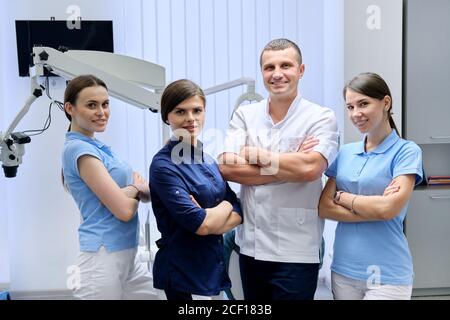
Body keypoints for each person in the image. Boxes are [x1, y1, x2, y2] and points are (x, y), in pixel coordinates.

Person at [218, 38, 339, 300]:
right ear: (262, 72)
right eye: (269, 67)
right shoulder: (245, 115)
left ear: (301, 70)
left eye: (286, 65)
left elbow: (310, 169)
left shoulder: (320, 117)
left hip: (296, 250)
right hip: (251, 247)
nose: (277, 74)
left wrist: (257, 156)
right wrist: (290, 164)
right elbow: (228, 167)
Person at [318, 72, 423, 300]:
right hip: (343, 270)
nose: (356, 114)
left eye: (363, 104)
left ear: (386, 103)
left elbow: (388, 210)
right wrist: (375, 208)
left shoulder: (406, 152)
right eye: (350, 107)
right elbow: (324, 208)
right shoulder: (345, 152)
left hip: (388, 273)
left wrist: (344, 198)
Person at [61, 74, 155, 299]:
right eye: (91, 105)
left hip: (129, 254)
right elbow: (124, 210)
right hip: (101, 259)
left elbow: (144, 194)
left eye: (105, 104)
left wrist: (134, 192)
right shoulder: (78, 149)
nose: (102, 112)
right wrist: (134, 190)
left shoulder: (99, 147)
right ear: (70, 108)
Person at [149, 79, 243, 300]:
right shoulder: (163, 166)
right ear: (167, 116)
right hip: (182, 276)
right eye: (180, 111)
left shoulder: (207, 159)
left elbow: (238, 207)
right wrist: (223, 210)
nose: (191, 119)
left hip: (211, 269)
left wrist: (220, 212)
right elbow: (201, 224)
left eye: (197, 110)